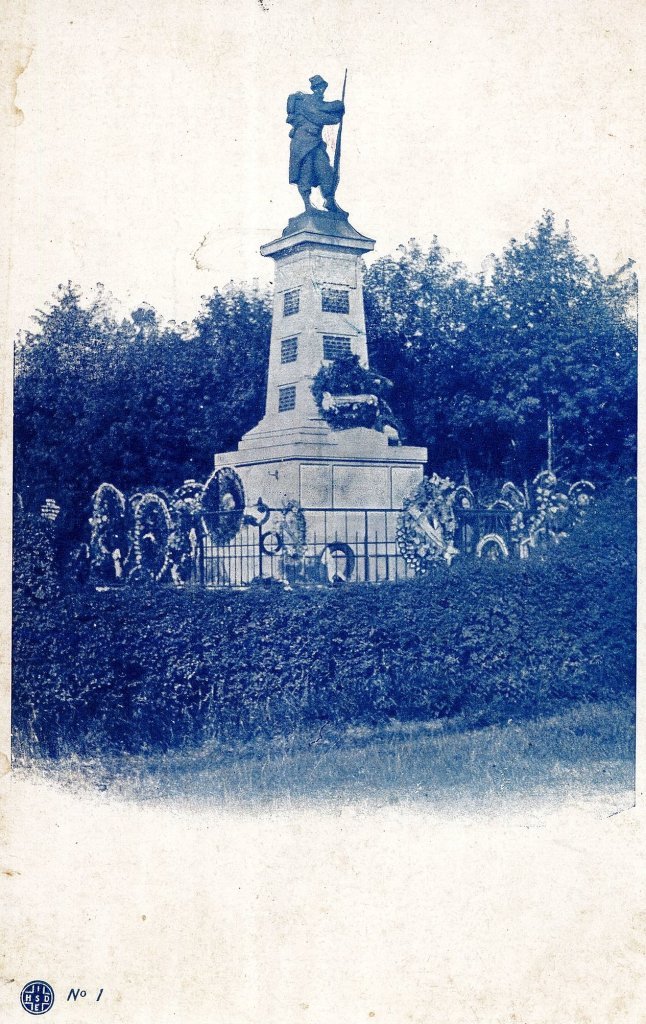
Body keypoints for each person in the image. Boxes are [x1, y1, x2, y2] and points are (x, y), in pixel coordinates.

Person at [287, 74, 345, 214]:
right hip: (303, 144)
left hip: (316, 142)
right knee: (305, 172)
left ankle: (330, 201)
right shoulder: (307, 102)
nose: (321, 91)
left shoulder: (317, 102)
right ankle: (308, 205)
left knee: (325, 170)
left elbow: (328, 112)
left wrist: (338, 112)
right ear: (313, 88)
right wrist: (339, 107)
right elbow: (322, 114)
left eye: (322, 88)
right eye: (318, 88)